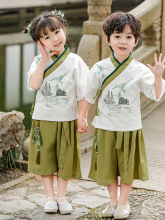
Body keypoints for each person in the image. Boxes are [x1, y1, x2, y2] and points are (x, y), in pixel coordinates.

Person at [77, 11, 165, 219]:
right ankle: (112, 202)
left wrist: (157, 76)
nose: (123, 41)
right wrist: (81, 116)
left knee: (127, 169)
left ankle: (123, 204)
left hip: (129, 127)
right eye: (117, 36)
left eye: (129, 37)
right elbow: (88, 95)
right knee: (108, 168)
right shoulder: (99, 69)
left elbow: (156, 95)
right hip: (105, 126)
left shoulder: (140, 70)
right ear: (107, 39)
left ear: (136, 41)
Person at [24, 10, 88, 215]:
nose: (54, 39)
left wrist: (82, 116)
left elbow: (83, 93)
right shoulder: (37, 62)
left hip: (67, 119)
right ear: (40, 42)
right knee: (45, 160)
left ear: (65, 30)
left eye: (56, 32)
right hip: (43, 119)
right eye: (46, 37)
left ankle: (61, 196)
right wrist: (43, 59)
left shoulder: (76, 61)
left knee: (65, 159)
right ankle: (49, 197)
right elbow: (34, 84)